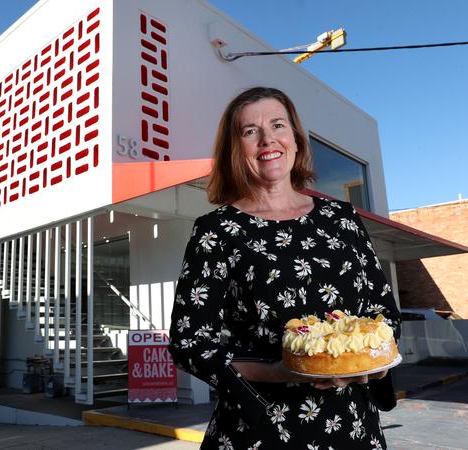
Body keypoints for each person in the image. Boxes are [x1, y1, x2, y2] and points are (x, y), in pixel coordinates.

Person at [168, 86, 401, 449]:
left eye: (278, 125)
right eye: (250, 131)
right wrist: (278, 371)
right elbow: (190, 343)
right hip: (261, 432)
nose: (267, 139)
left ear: (295, 137)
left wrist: (374, 360)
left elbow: (383, 313)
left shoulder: (342, 219)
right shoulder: (217, 230)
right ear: (236, 148)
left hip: (353, 429)